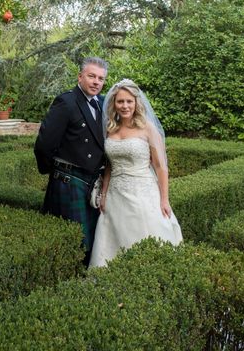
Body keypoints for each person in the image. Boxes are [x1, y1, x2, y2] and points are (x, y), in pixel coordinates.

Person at [89, 79, 182, 268]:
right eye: (120, 101)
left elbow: (161, 167)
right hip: (116, 194)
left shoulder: (147, 128)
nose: (125, 106)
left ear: (136, 102)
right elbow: (109, 166)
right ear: (114, 104)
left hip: (143, 192)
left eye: (129, 101)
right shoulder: (110, 128)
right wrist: (104, 193)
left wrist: (164, 199)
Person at [34, 57, 108, 265]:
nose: (96, 82)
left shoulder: (103, 103)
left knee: (93, 238)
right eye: (91, 76)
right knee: (76, 239)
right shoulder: (66, 102)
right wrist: (57, 173)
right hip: (68, 180)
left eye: (100, 78)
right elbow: (44, 144)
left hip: (92, 181)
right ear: (80, 76)